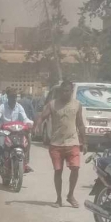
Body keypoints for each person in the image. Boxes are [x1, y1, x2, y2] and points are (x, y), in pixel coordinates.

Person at [35, 80, 86, 208]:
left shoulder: (77, 105)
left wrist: (84, 142)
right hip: (56, 143)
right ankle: (58, 199)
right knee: (58, 171)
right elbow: (42, 116)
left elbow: (80, 123)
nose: (65, 93)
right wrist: (37, 125)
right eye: (63, 91)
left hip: (72, 142)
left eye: (67, 91)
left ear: (71, 90)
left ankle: (70, 195)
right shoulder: (53, 104)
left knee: (75, 168)